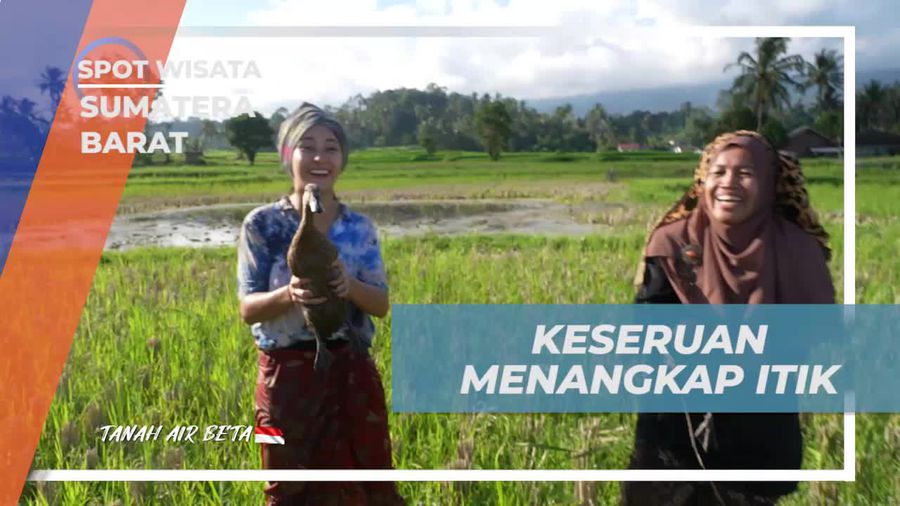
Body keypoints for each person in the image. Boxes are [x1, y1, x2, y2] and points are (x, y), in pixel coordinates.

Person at [622, 130, 835, 505]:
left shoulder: (799, 250)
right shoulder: (672, 244)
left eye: (745, 173)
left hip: (758, 432)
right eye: (719, 172)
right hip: (675, 430)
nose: (728, 183)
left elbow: (811, 335)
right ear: (704, 179)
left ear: (770, 184)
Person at [237, 103, 404, 505]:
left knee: (369, 483)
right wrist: (288, 295)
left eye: (330, 147)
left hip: (350, 370)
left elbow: (380, 304)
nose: (318, 157)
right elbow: (247, 309)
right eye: (306, 146)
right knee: (289, 489)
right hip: (287, 379)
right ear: (286, 155)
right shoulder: (262, 225)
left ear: (342, 159)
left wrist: (348, 286)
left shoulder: (358, 228)